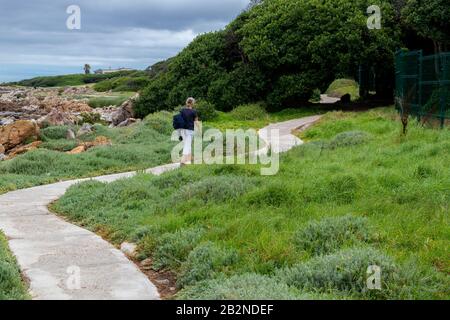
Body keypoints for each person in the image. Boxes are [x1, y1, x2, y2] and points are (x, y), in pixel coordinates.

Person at [180, 97, 198, 165]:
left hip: (182, 130)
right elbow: (196, 122)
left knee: (187, 144)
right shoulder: (194, 112)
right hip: (190, 130)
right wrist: (199, 130)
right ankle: (182, 161)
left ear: (186, 103)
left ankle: (189, 160)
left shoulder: (182, 111)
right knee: (187, 145)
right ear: (192, 103)